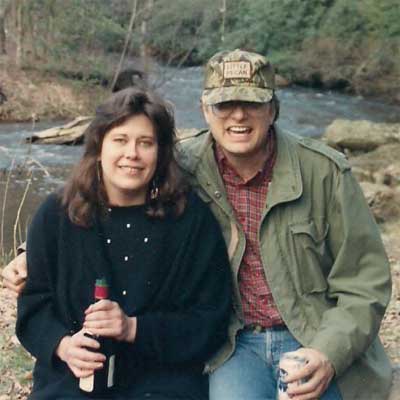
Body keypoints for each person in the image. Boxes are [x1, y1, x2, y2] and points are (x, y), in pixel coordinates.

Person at [3, 49, 393, 400]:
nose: (238, 116)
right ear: (206, 110)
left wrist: (328, 353)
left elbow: (365, 282)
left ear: (272, 109)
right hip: (236, 343)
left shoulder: (324, 173)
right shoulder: (182, 164)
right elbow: (95, 197)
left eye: (251, 104)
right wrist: (29, 255)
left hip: (311, 333)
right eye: (225, 105)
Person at [14, 87, 232, 399]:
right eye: (120, 140)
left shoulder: (190, 219)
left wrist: (133, 329)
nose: (132, 153)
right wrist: (62, 345)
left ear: (161, 153)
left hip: (163, 380)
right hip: (73, 380)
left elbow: (209, 320)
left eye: (146, 143)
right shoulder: (57, 214)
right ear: (98, 146)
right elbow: (33, 305)